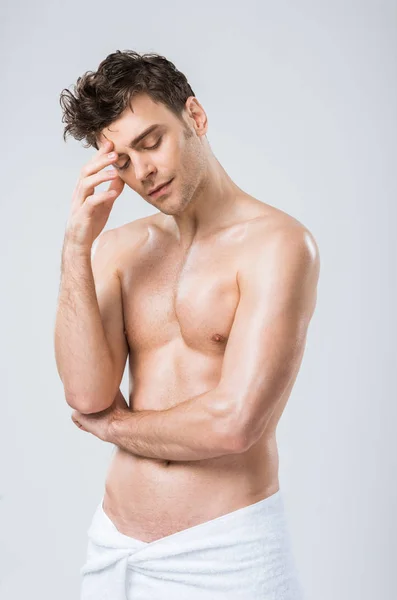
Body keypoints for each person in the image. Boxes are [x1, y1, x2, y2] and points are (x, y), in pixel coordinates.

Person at [54, 50, 319, 600]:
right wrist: (77, 245)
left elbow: (234, 423)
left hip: (229, 558)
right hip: (114, 551)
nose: (142, 171)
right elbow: (85, 391)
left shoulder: (278, 245)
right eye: (121, 160)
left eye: (150, 142)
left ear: (194, 117)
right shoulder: (120, 250)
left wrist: (115, 428)